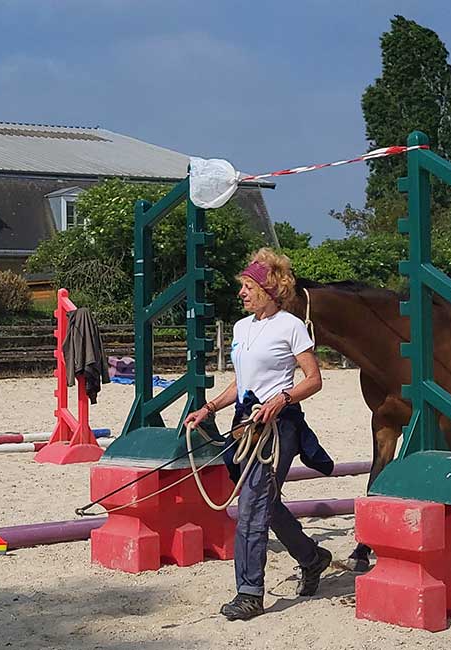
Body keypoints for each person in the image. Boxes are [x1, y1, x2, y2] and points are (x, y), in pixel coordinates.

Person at [181, 248, 334, 621]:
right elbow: (242, 382)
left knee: (251, 509)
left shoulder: (292, 326)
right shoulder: (241, 328)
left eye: (248, 286)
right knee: (264, 503)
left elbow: (313, 380)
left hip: (278, 430)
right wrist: (210, 408)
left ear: (268, 288)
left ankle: (250, 593)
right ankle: (313, 558)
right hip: (244, 424)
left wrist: (282, 399)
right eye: (243, 287)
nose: (242, 293)